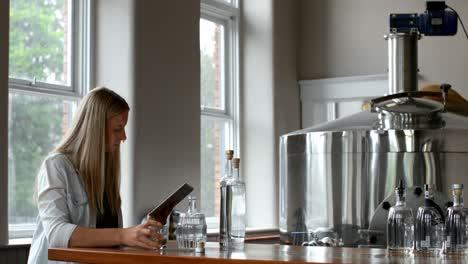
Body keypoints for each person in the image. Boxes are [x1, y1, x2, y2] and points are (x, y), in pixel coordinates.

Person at [28, 87, 162, 264]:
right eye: (118, 129)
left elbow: (107, 241)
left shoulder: (106, 172)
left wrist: (138, 238)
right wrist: (123, 235)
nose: (124, 136)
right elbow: (56, 234)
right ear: (95, 128)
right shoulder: (56, 166)